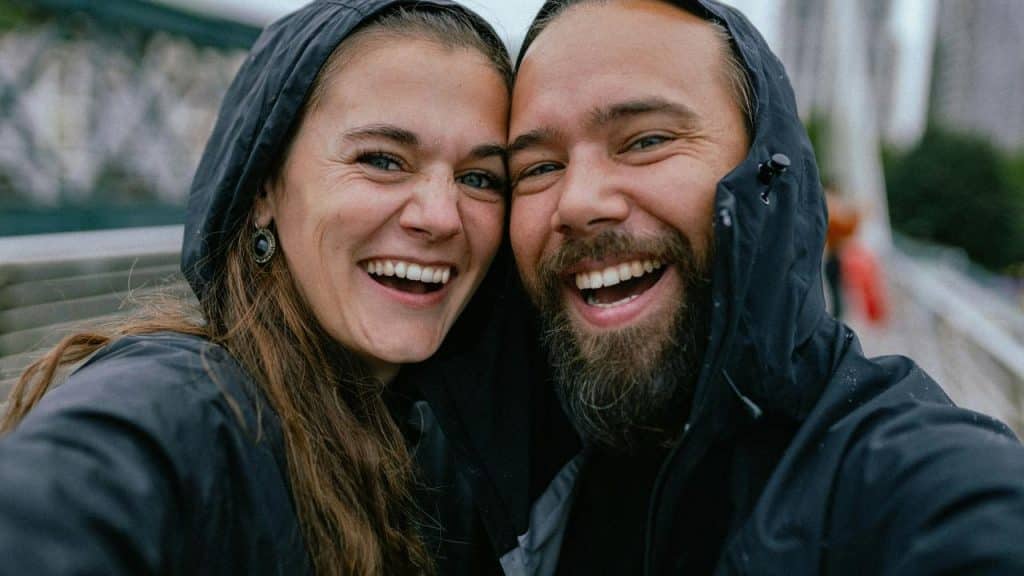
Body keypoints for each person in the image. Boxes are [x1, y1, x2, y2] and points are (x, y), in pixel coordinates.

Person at [501, 0, 1024, 574]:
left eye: (646, 141)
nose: (576, 202)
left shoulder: (904, 482)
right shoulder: (492, 454)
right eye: (538, 168)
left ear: (765, 173)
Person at [0, 1, 513, 574]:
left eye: (478, 178)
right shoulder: (186, 405)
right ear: (265, 187)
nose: (442, 216)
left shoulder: (462, 442)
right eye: (382, 160)